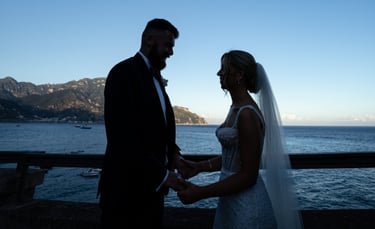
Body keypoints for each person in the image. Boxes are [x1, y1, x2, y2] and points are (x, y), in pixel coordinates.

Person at [177, 50, 304, 229]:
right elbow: (237, 157)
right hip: (230, 200)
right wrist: (199, 167)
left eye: (224, 68)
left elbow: (248, 176)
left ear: (239, 75)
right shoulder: (235, 108)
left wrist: (200, 193)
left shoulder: (247, 114)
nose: (219, 73)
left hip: (247, 206)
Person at [97, 18, 189, 229]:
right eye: (168, 45)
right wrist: (164, 175)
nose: (171, 52)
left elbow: (158, 129)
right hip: (125, 196)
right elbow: (121, 137)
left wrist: (173, 154)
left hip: (152, 195)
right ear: (149, 40)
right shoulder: (122, 73)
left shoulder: (156, 79)